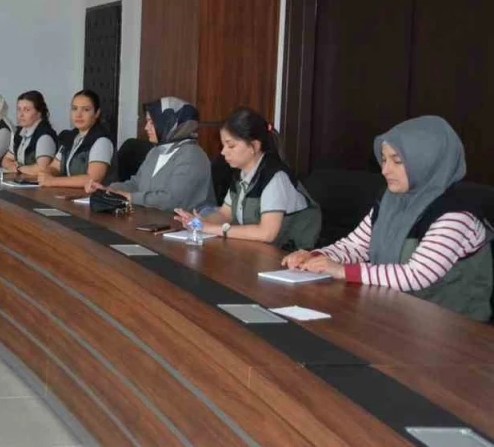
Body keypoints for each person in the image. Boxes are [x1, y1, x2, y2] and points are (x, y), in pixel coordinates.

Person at [283, 116, 491, 321]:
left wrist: (342, 270)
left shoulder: (456, 215)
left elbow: (416, 275)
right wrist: (317, 257)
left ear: (427, 162)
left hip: (452, 327)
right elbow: (355, 246)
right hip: (398, 315)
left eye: (397, 161)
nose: (385, 170)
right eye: (384, 160)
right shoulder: (392, 200)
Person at [173, 107, 321, 249]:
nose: (223, 152)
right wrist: (198, 222)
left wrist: (211, 228)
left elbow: (266, 233)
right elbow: (224, 214)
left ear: (254, 146)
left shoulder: (275, 177)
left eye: (231, 146)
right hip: (257, 251)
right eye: (223, 145)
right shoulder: (241, 173)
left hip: (289, 255)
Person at [87, 96, 214, 213]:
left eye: (152, 123)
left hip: (184, 225)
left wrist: (128, 196)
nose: (146, 128)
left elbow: (171, 201)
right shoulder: (156, 151)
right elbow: (136, 184)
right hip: (152, 218)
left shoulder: (192, 155)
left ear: (170, 123)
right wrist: (108, 189)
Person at [39, 89, 115, 188]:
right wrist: (46, 173)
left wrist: (52, 181)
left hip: (94, 196)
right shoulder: (70, 137)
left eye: (86, 110)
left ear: (97, 113)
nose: (78, 114)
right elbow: (55, 167)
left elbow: (93, 179)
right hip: (70, 193)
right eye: (74, 109)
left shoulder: (102, 141)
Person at [0, 90, 56, 176]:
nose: (21, 115)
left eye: (27, 110)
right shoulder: (19, 133)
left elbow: (42, 169)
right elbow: (6, 160)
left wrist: (18, 168)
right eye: (19, 109)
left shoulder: (45, 136)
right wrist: (11, 166)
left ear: (39, 113)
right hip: (21, 180)